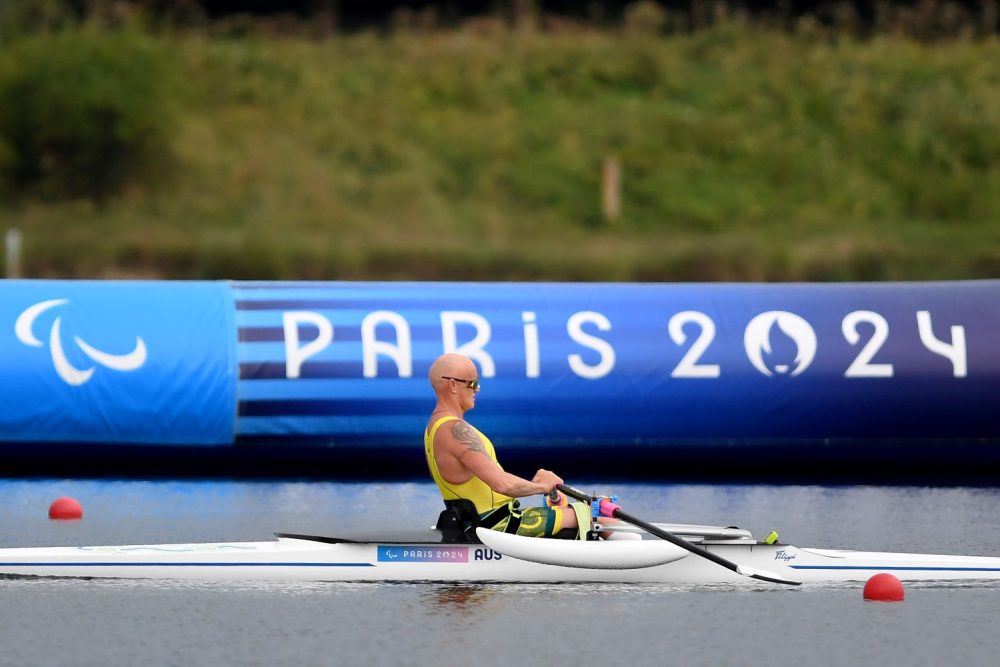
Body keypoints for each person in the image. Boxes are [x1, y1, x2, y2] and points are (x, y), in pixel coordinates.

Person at [424, 353, 631, 540]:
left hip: (484, 521)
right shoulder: (455, 430)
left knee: (584, 511)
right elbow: (501, 484)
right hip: (497, 526)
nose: (477, 389)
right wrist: (542, 486)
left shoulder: (435, 427)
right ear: (452, 385)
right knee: (602, 518)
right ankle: (632, 567)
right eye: (473, 382)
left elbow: (489, 488)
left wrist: (534, 483)